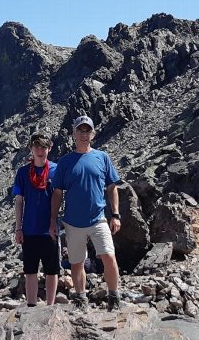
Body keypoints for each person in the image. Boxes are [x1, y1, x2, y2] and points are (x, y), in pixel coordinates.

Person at [49, 115, 123, 310]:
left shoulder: (102, 157)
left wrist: (115, 214)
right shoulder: (65, 162)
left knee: (109, 256)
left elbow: (112, 187)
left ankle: (114, 297)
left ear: (93, 133)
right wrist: (52, 220)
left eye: (87, 130)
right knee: (77, 262)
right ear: (73, 134)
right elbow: (57, 192)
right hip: (73, 222)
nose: (84, 134)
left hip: (98, 219)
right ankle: (81, 299)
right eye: (80, 131)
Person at [13, 132, 59, 306]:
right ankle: (31, 306)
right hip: (29, 229)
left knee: (52, 270)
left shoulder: (57, 170)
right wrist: (18, 228)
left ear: (50, 148)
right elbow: (19, 201)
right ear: (31, 148)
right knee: (30, 270)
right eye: (37, 146)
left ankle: (50, 306)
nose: (40, 150)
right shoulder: (23, 173)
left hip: (50, 229)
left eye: (44, 147)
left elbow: (62, 196)